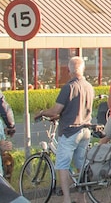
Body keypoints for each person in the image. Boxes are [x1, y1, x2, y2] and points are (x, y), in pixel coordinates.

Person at [34, 56, 93, 203]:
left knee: (62, 165)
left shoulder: (69, 87)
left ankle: (66, 198)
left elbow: (56, 110)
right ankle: (82, 198)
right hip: (85, 130)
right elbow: (76, 108)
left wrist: (42, 112)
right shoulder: (89, 86)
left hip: (70, 131)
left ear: (69, 70)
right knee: (80, 164)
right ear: (83, 69)